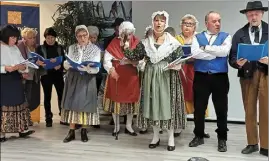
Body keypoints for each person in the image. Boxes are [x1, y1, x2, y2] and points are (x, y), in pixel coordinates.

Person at [123, 11, 187, 151]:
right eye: (156, 20)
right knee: (152, 106)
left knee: (167, 106)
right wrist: (126, 44)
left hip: (167, 77)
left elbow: (180, 59)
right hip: (151, 76)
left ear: (166, 23)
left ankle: (170, 138)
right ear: (153, 22)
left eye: (162, 21)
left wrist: (177, 65)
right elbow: (135, 56)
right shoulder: (145, 43)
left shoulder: (173, 43)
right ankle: (156, 136)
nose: (159, 23)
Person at [188, 11, 232, 152]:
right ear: (207, 23)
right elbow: (195, 53)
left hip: (220, 77)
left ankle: (222, 139)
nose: (218, 23)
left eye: (219, 20)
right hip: (201, 77)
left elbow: (224, 52)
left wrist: (206, 48)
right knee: (199, 109)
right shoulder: (197, 37)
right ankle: (198, 135)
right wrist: (215, 53)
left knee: (221, 109)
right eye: (214, 21)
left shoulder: (226, 36)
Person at [228, 1, 268, 156]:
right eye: (250, 14)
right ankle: (252, 143)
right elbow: (232, 56)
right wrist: (236, 63)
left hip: (266, 73)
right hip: (247, 75)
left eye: (256, 13)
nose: (253, 16)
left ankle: (266, 145)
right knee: (249, 110)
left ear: (262, 13)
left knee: (266, 110)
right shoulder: (239, 33)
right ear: (246, 15)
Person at [61, 25, 101, 143]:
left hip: (87, 78)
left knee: (85, 105)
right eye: (79, 36)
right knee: (72, 103)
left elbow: (97, 68)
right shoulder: (72, 47)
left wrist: (88, 68)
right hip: (73, 77)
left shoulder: (95, 49)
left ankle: (84, 130)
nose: (82, 38)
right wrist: (67, 64)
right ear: (76, 37)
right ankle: (71, 131)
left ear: (88, 35)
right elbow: (67, 62)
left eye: (84, 35)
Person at [176, 14, 210, 138]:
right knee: (180, 100)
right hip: (181, 73)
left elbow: (206, 53)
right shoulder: (175, 39)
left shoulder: (200, 38)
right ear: (181, 25)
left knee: (200, 101)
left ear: (195, 26)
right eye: (185, 24)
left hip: (197, 72)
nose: (187, 26)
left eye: (190, 24)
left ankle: (200, 130)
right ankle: (178, 127)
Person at [103, 21, 140, 137]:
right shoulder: (114, 42)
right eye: (125, 33)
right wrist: (110, 69)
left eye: (130, 34)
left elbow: (142, 61)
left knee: (130, 102)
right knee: (116, 101)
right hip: (116, 76)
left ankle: (129, 126)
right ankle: (116, 126)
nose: (128, 36)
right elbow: (106, 59)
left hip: (131, 77)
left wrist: (133, 62)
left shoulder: (137, 42)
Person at [0, 25, 35, 142]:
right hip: (3, 79)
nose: (15, 40)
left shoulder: (15, 48)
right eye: (12, 37)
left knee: (19, 102)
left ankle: (22, 129)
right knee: (4, 104)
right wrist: (5, 68)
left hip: (15, 78)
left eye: (16, 38)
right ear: (5, 36)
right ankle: (2, 133)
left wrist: (23, 67)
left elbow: (21, 62)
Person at [36, 27, 65, 127]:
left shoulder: (60, 48)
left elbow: (64, 61)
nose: (50, 40)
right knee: (47, 96)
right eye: (48, 37)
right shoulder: (40, 48)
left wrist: (60, 65)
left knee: (61, 95)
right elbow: (36, 61)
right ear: (45, 38)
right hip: (46, 75)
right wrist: (40, 63)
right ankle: (48, 117)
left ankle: (63, 116)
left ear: (55, 38)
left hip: (58, 75)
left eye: (52, 37)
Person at [17, 28, 40, 125]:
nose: (33, 40)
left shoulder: (35, 47)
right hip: (22, 75)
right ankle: (23, 120)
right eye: (30, 38)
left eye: (34, 37)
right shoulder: (20, 45)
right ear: (24, 38)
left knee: (29, 98)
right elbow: (19, 60)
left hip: (32, 75)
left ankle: (26, 118)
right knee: (23, 98)